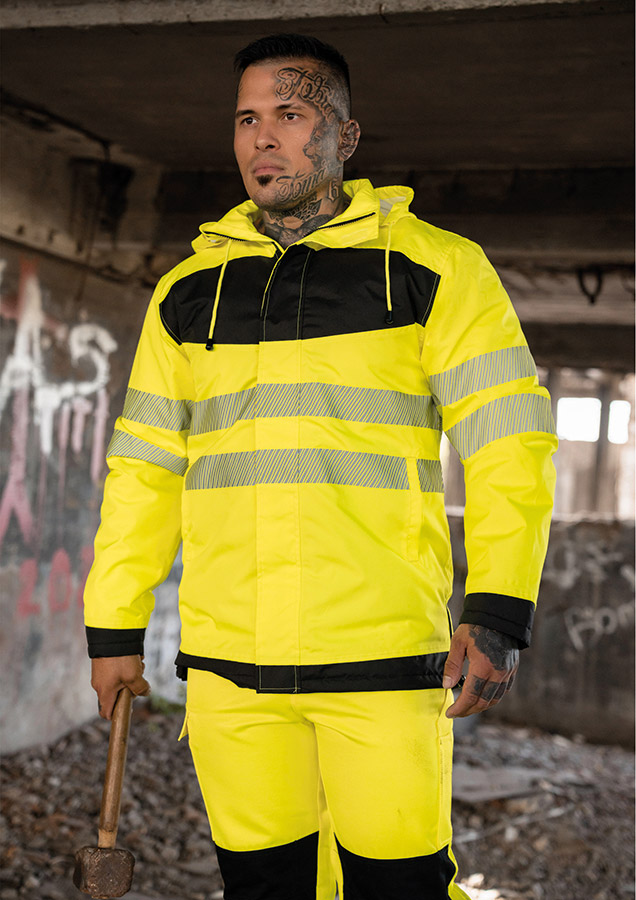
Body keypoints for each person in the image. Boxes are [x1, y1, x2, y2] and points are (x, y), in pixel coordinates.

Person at [85, 33, 557, 900]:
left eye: (290, 114)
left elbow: (507, 444)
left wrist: (497, 612)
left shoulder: (433, 269)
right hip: (230, 674)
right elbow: (144, 467)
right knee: (262, 887)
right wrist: (113, 628)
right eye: (246, 119)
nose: (263, 138)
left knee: (400, 889)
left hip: (382, 665)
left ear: (345, 135)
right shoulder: (188, 291)